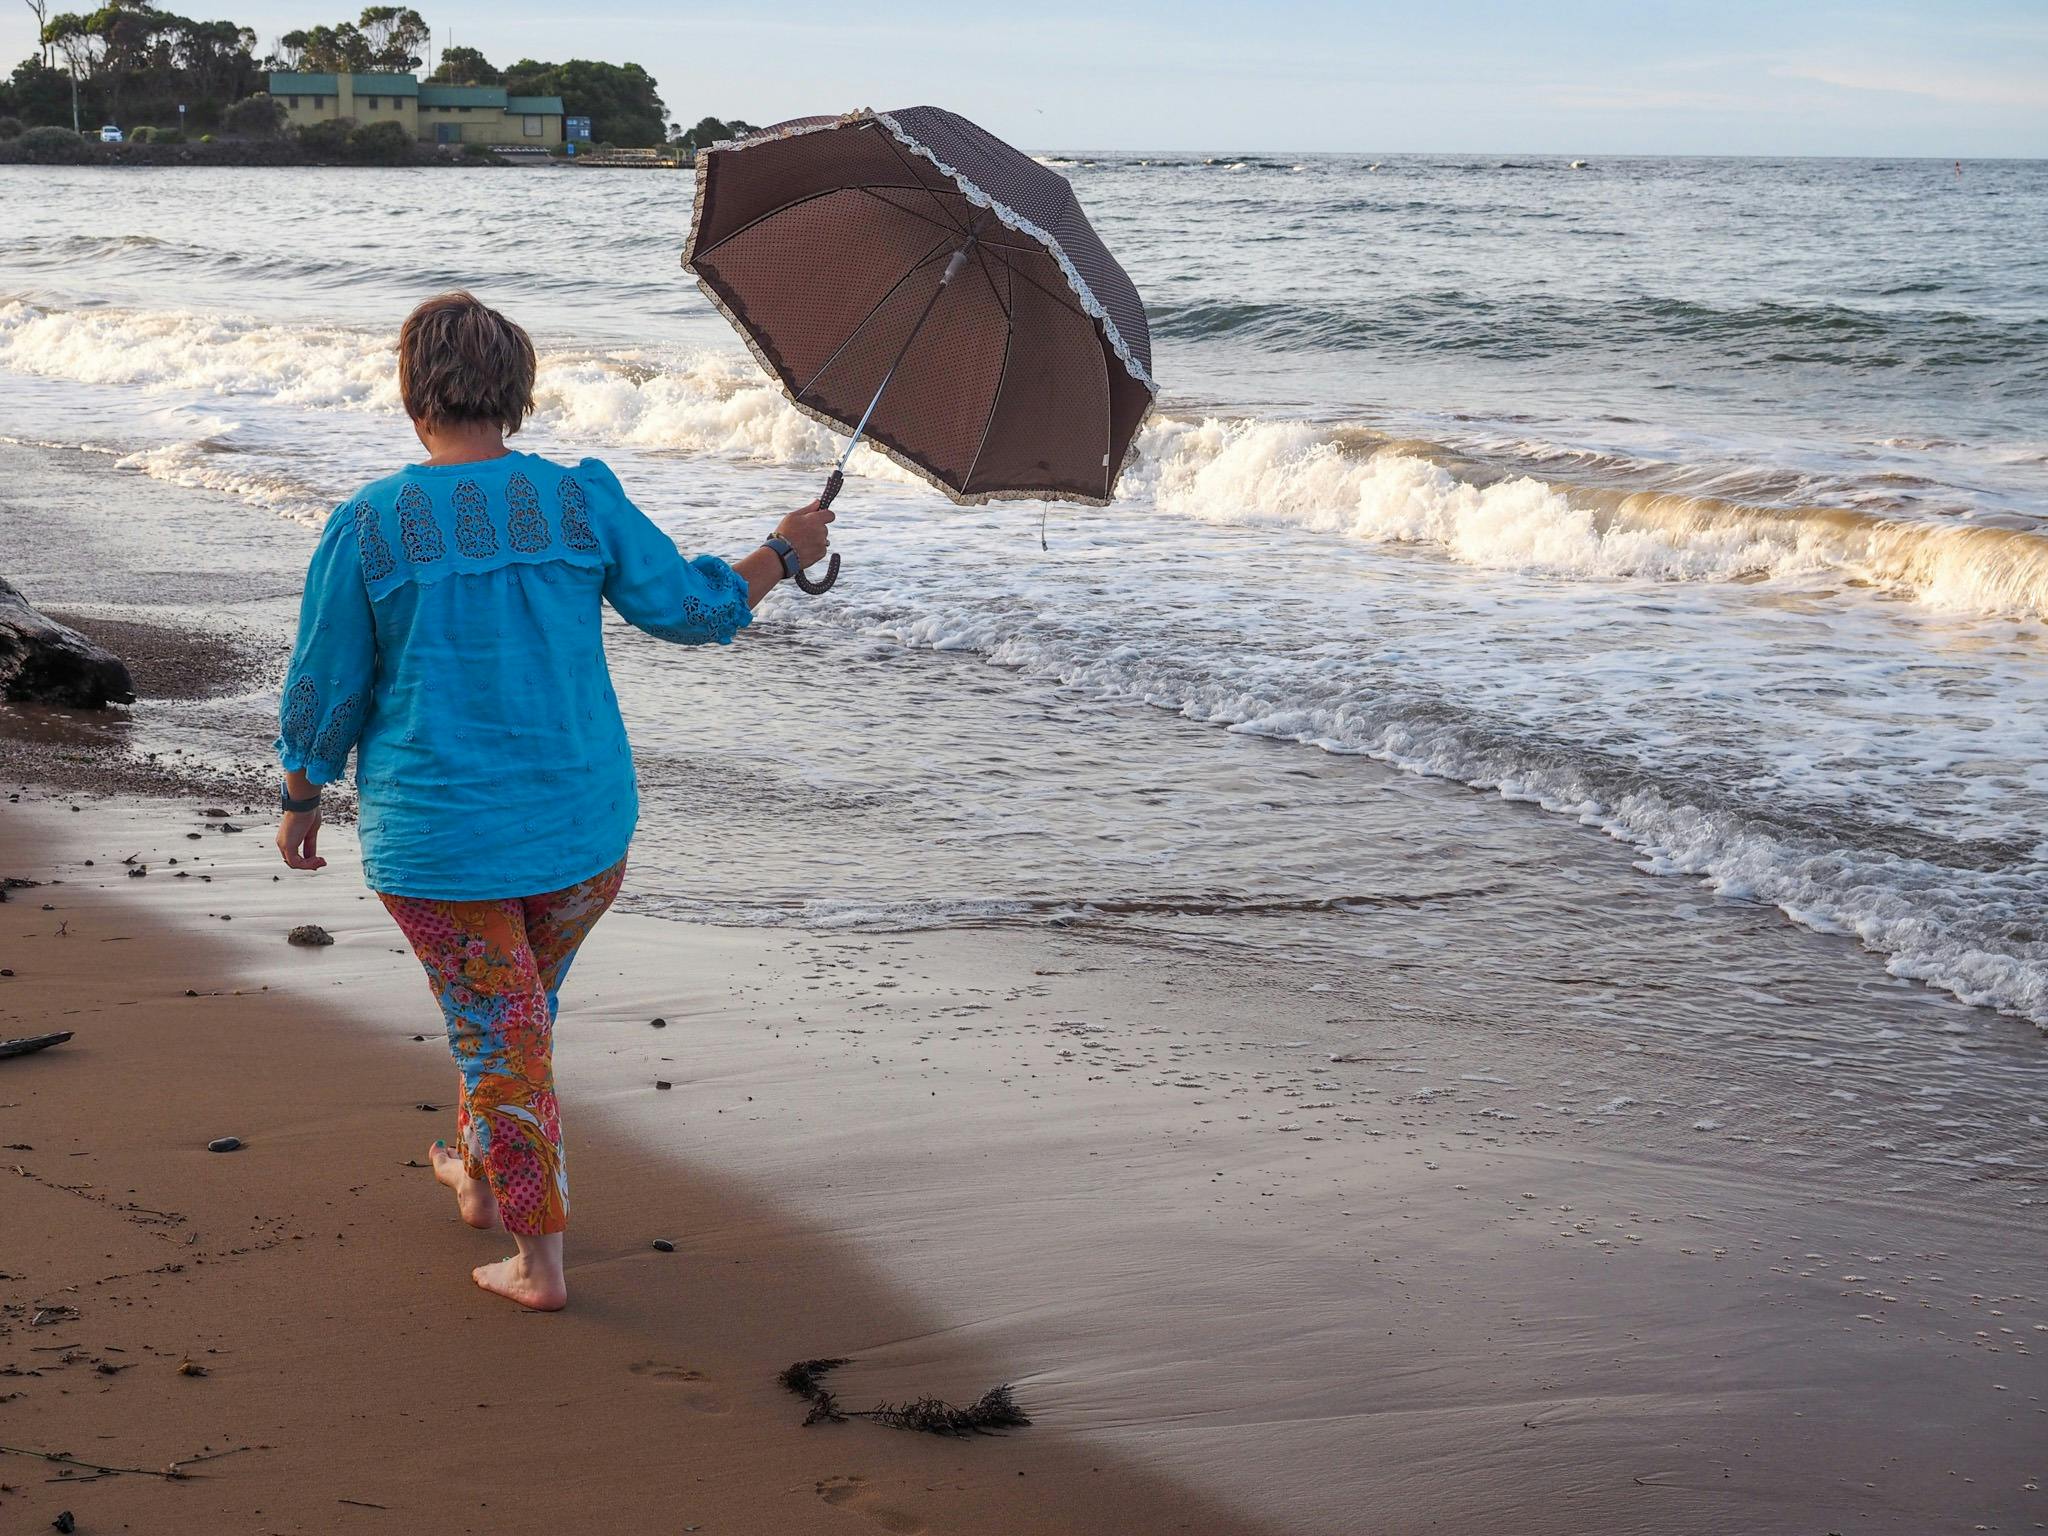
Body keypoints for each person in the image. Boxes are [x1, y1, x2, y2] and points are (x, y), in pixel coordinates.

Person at [274, 290, 832, 1311]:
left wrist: (300, 790)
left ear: (412, 397)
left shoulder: (370, 526)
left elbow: (326, 682)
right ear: (519, 393)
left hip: (441, 841)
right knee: (512, 1017)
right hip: (582, 835)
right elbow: (698, 611)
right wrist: (785, 549)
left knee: (501, 1028)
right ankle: (483, 1181)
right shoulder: (582, 501)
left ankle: (537, 1264)